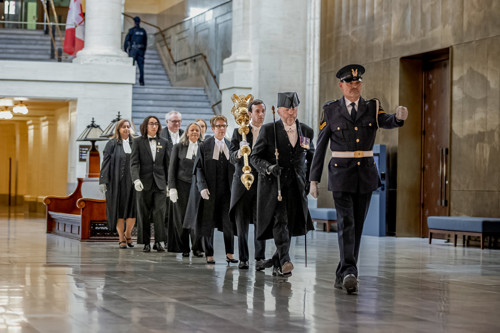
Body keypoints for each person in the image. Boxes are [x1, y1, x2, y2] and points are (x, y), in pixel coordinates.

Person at [309, 64, 408, 294]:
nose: (355, 86)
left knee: (357, 226)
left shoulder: (372, 106)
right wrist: (313, 179)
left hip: (365, 174)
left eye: (358, 82)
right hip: (341, 174)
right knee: (346, 224)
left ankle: (342, 272)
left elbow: (387, 120)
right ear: (341, 85)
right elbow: (321, 146)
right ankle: (351, 272)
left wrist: (399, 118)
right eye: (350, 82)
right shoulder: (331, 110)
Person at [250, 92, 315, 278]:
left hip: (297, 185)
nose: (291, 113)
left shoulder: (306, 131)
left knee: (291, 223)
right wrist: (269, 167)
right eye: (287, 109)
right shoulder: (269, 130)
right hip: (275, 186)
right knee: (281, 220)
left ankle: (275, 261)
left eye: (294, 109)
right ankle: (285, 260)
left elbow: (312, 158)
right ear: (279, 111)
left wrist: (311, 181)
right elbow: (255, 157)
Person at [190, 115, 236, 264]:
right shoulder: (205, 146)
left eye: (224, 126)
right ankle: (209, 253)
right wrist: (202, 186)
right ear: (213, 128)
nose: (222, 129)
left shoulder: (230, 145)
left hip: (227, 192)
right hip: (210, 191)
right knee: (208, 222)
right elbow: (199, 169)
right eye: (219, 126)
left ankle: (230, 253)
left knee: (228, 223)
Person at [229, 99, 268, 270]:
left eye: (263, 111)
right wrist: (239, 151)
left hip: (262, 182)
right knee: (241, 222)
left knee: (261, 220)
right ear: (250, 113)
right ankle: (244, 258)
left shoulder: (269, 132)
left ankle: (260, 258)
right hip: (242, 183)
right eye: (257, 111)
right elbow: (231, 157)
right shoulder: (239, 132)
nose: (261, 115)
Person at [130, 116, 170, 252]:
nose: (154, 126)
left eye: (156, 124)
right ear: (145, 126)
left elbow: (168, 164)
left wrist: (169, 184)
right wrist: (136, 179)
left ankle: (159, 242)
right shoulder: (137, 142)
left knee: (160, 213)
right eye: (151, 124)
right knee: (144, 213)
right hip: (143, 182)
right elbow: (134, 163)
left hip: (160, 183)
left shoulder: (164, 142)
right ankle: (145, 242)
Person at [99, 119, 136, 249]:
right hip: (116, 183)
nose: (126, 129)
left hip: (133, 183)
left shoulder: (135, 143)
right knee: (119, 210)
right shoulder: (112, 144)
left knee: (133, 210)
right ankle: (121, 237)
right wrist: (103, 181)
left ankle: (128, 233)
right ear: (118, 129)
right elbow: (106, 163)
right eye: (123, 127)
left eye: (128, 127)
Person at [167, 122, 202, 256]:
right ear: (187, 132)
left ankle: (197, 247)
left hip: (197, 186)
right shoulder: (178, 147)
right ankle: (184, 248)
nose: (194, 133)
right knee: (181, 218)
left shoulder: (203, 147)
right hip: (181, 186)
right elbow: (172, 170)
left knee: (196, 217)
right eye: (192, 130)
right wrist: (172, 188)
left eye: (197, 131)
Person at [124, 16, 147, 86]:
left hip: (133, 50)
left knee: (132, 66)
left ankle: (131, 80)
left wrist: (125, 50)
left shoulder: (131, 30)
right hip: (141, 50)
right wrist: (143, 51)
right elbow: (145, 42)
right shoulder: (143, 31)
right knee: (141, 67)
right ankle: (142, 81)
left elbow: (126, 40)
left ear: (134, 22)